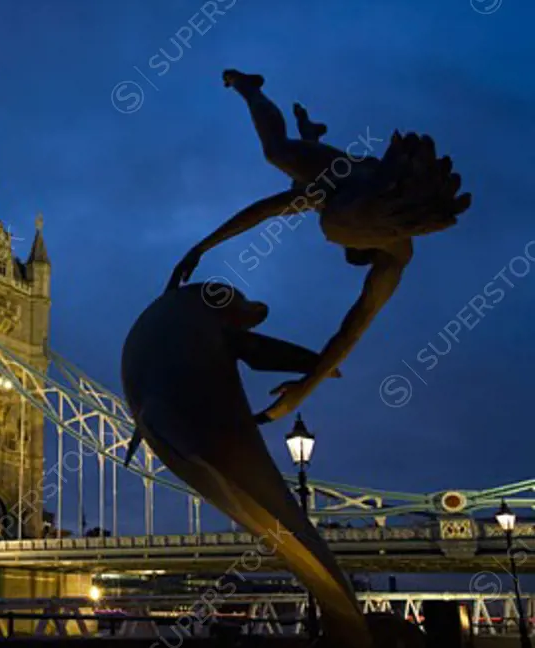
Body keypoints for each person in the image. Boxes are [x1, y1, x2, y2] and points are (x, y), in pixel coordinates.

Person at [168, 70, 471, 423]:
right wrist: (301, 391)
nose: (333, 241)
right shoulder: (389, 250)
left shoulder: (390, 248)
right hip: (347, 175)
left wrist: (201, 248)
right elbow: (351, 330)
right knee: (277, 151)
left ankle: (307, 130)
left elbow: (266, 212)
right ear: (363, 248)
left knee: (290, 167)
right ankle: (251, 89)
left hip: (360, 182)